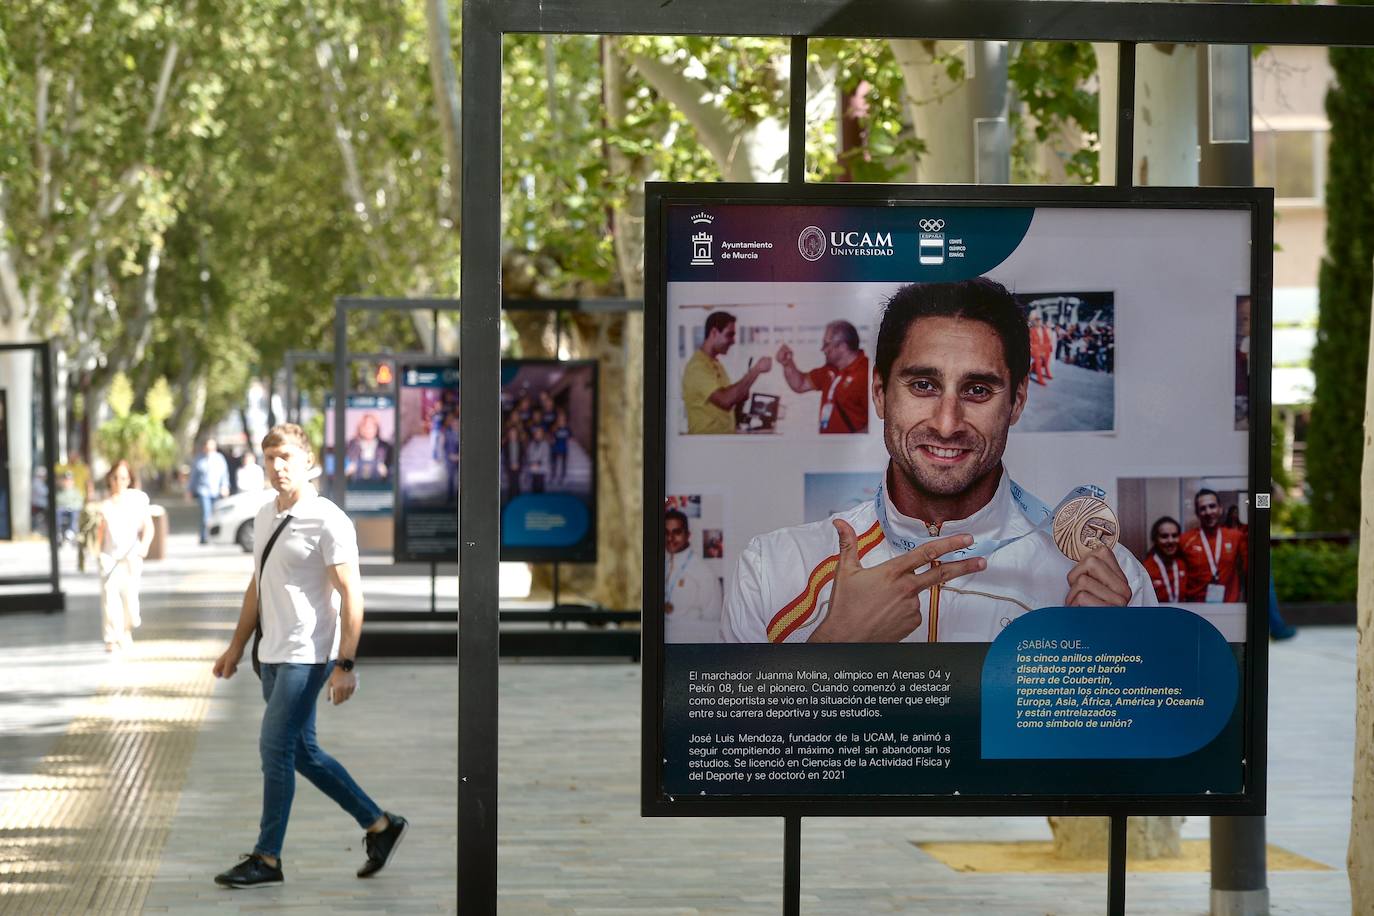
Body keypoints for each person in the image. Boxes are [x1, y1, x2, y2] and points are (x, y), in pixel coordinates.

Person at [721, 277, 1155, 644]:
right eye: (924, 385)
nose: (948, 424)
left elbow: (1147, 743)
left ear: (1018, 401)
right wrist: (835, 649)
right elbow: (733, 747)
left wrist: (1107, 662)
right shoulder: (772, 569)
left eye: (978, 391)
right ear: (879, 392)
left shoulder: (1111, 581)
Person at [211, 423, 407, 889]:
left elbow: (352, 595)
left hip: (309, 655)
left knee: (274, 747)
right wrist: (236, 647)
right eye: (270, 459)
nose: (277, 467)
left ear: (308, 462)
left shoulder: (329, 519)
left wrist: (345, 664)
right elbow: (257, 586)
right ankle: (380, 825)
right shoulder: (264, 516)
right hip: (272, 654)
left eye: (286, 458)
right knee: (303, 752)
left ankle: (267, 858)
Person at [681, 310, 772, 434]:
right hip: (706, 444)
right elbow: (725, 400)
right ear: (713, 333)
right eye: (729, 335)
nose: (733, 341)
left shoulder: (715, 364)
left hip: (723, 440)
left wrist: (741, 395)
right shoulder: (697, 367)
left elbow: (728, 400)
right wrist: (756, 370)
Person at [97, 460, 153, 652]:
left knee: (130, 602)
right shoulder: (102, 504)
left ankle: (126, 630)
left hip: (131, 557)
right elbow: (98, 534)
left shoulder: (138, 499)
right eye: (115, 477)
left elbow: (148, 526)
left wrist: (144, 546)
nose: (118, 481)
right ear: (109, 479)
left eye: (123, 477)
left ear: (129, 479)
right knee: (109, 598)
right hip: (109, 557)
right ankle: (111, 638)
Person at [776, 320, 870, 434]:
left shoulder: (867, 374)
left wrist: (852, 446)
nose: (822, 349)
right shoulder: (830, 370)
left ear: (842, 346)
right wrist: (787, 363)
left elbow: (878, 424)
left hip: (848, 449)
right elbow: (800, 384)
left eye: (826, 344)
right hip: (827, 447)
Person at [664, 508, 724, 642]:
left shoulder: (704, 573)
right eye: (666, 533)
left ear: (688, 535)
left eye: (676, 532)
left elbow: (713, 624)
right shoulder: (664, 565)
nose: (670, 538)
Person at [1179, 489, 1247, 603]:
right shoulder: (1185, 540)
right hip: (1196, 607)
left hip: (1228, 606)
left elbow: (1248, 570)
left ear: (1220, 509)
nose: (1208, 512)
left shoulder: (1236, 537)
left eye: (1212, 506)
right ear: (1197, 513)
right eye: (1203, 508)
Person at [189, 439, 231, 544]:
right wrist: (189, 490)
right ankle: (204, 537)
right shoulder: (199, 459)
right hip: (203, 491)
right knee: (205, 514)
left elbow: (224, 475)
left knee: (215, 514)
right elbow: (193, 477)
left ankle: (214, 535)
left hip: (216, 491)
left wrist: (225, 486)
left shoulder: (219, 459)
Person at [1145, 516, 1187, 605]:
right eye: (1164, 536)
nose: (1170, 540)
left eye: (1174, 536)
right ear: (1155, 539)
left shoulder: (1183, 564)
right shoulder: (1146, 568)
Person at [344, 413, 393, 481]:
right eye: (365, 426)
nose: (368, 429)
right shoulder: (351, 445)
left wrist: (386, 472)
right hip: (355, 484)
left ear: (377, 428)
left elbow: (391, 471)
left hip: (379, 485)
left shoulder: (385, 447)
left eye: (371, 426)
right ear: (360, 428)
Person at [1028, 310, 1055, 386]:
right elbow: (1031, 342)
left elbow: (1047, 340)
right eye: (1037, 321)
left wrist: (1046, 349)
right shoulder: (1032, 330)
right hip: (1035, 350)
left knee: (1046, 362)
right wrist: (1037, 350)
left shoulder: (1044, 330)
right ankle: (1040, 379)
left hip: (1043, 349)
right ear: (1035, 322)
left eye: (1039, 321)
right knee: (1039, 362)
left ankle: (1047, 373)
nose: (1039, 322)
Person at [525, 425, 551, 494]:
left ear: (542, 435)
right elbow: (529, 455)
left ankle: (540, 500)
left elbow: (545, 456)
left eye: (540, 434)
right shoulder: (531, 444)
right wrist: (532, 463)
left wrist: (538, 464)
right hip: (533, 468)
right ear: (534, 435)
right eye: (536, 434)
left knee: (540, 486)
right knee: (533, 486)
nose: (538, 435)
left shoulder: (545, 444)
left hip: (541, 468)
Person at [503, 424, 524, 501]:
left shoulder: (520, 444)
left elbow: (522, 456)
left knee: (517, 484)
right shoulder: (506, 445)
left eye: (514, 433)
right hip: (509, 467)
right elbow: (505, 457)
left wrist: (518, 464)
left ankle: (518, 500)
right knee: (511, 484)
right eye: (511, 433)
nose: (513, 435)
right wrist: (510, 465)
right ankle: (511, 500)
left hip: (518, 466)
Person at [551, 409, 572, 483]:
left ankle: (563, 477)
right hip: (556, 448)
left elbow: (570, 437)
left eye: (563, 419)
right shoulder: (555, 428)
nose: (561, 420)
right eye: (560, 419)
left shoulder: (567, 428)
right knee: (554, 463)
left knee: (563, 464)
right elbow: (552, 438)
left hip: (564, 448)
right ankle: (553, 476)